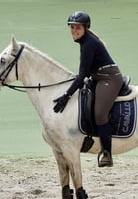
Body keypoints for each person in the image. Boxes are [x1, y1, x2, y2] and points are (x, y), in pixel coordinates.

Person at [53, 11, 124, 167]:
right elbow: (84, 74)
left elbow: (82, 75)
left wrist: (66, 95)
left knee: (100, 114)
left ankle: (107, 153)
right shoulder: (84, 42)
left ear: (85, 28)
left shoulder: (89, 44)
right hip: (98, 77)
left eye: (77, 28)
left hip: (109, 78)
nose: (74, 31)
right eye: (72, 28)